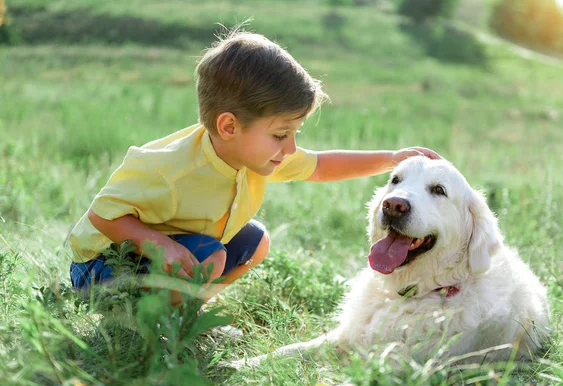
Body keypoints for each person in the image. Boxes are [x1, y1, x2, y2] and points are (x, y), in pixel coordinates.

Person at [68, 29, 441, 302]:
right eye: (281, 134)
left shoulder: (254, 154)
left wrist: (392, 159)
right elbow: (102, 215)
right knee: (211, 254)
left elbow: (322, 166)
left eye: (294, 132)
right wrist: (158, 244)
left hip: (173, 253)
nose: (291, 146)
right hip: (102, 268)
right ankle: (158, 326)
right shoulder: (167, 169)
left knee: (254, 241)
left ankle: (185, 311)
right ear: (228, 126)